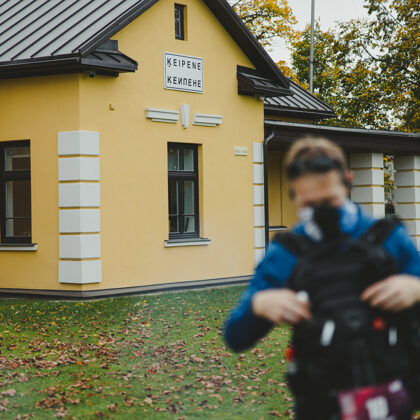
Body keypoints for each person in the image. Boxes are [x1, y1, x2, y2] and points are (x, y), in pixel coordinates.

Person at [224, 137, 420, 419]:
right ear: (294, 195)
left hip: (393, 401)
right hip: (320, 405)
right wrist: (259, 305)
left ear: (348, 182)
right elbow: (235, 337)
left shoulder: (388, 238)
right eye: (309, 205)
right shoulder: (286, 253)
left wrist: (416, 288)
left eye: (329, 201)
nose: (321, 212)